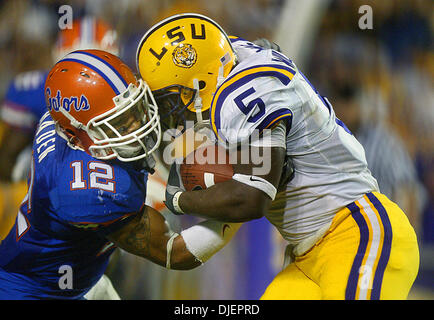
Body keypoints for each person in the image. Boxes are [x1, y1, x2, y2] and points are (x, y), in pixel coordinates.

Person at [135, 13, 420, 300]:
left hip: (356, 230)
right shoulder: (227, 58)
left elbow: (250, 199)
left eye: (170, 99)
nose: (169, 111)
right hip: (306, 255)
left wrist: (178, 199)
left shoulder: (241, 94)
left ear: (198, 85)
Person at [0, 49, 241, 299]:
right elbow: (175, 251)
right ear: (77, 134)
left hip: (72, 278)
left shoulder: (63, 121)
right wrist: (242, 203)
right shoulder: (87, 192)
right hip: (39, 293)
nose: (138, 124)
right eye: (122, 123)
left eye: (134, 109)